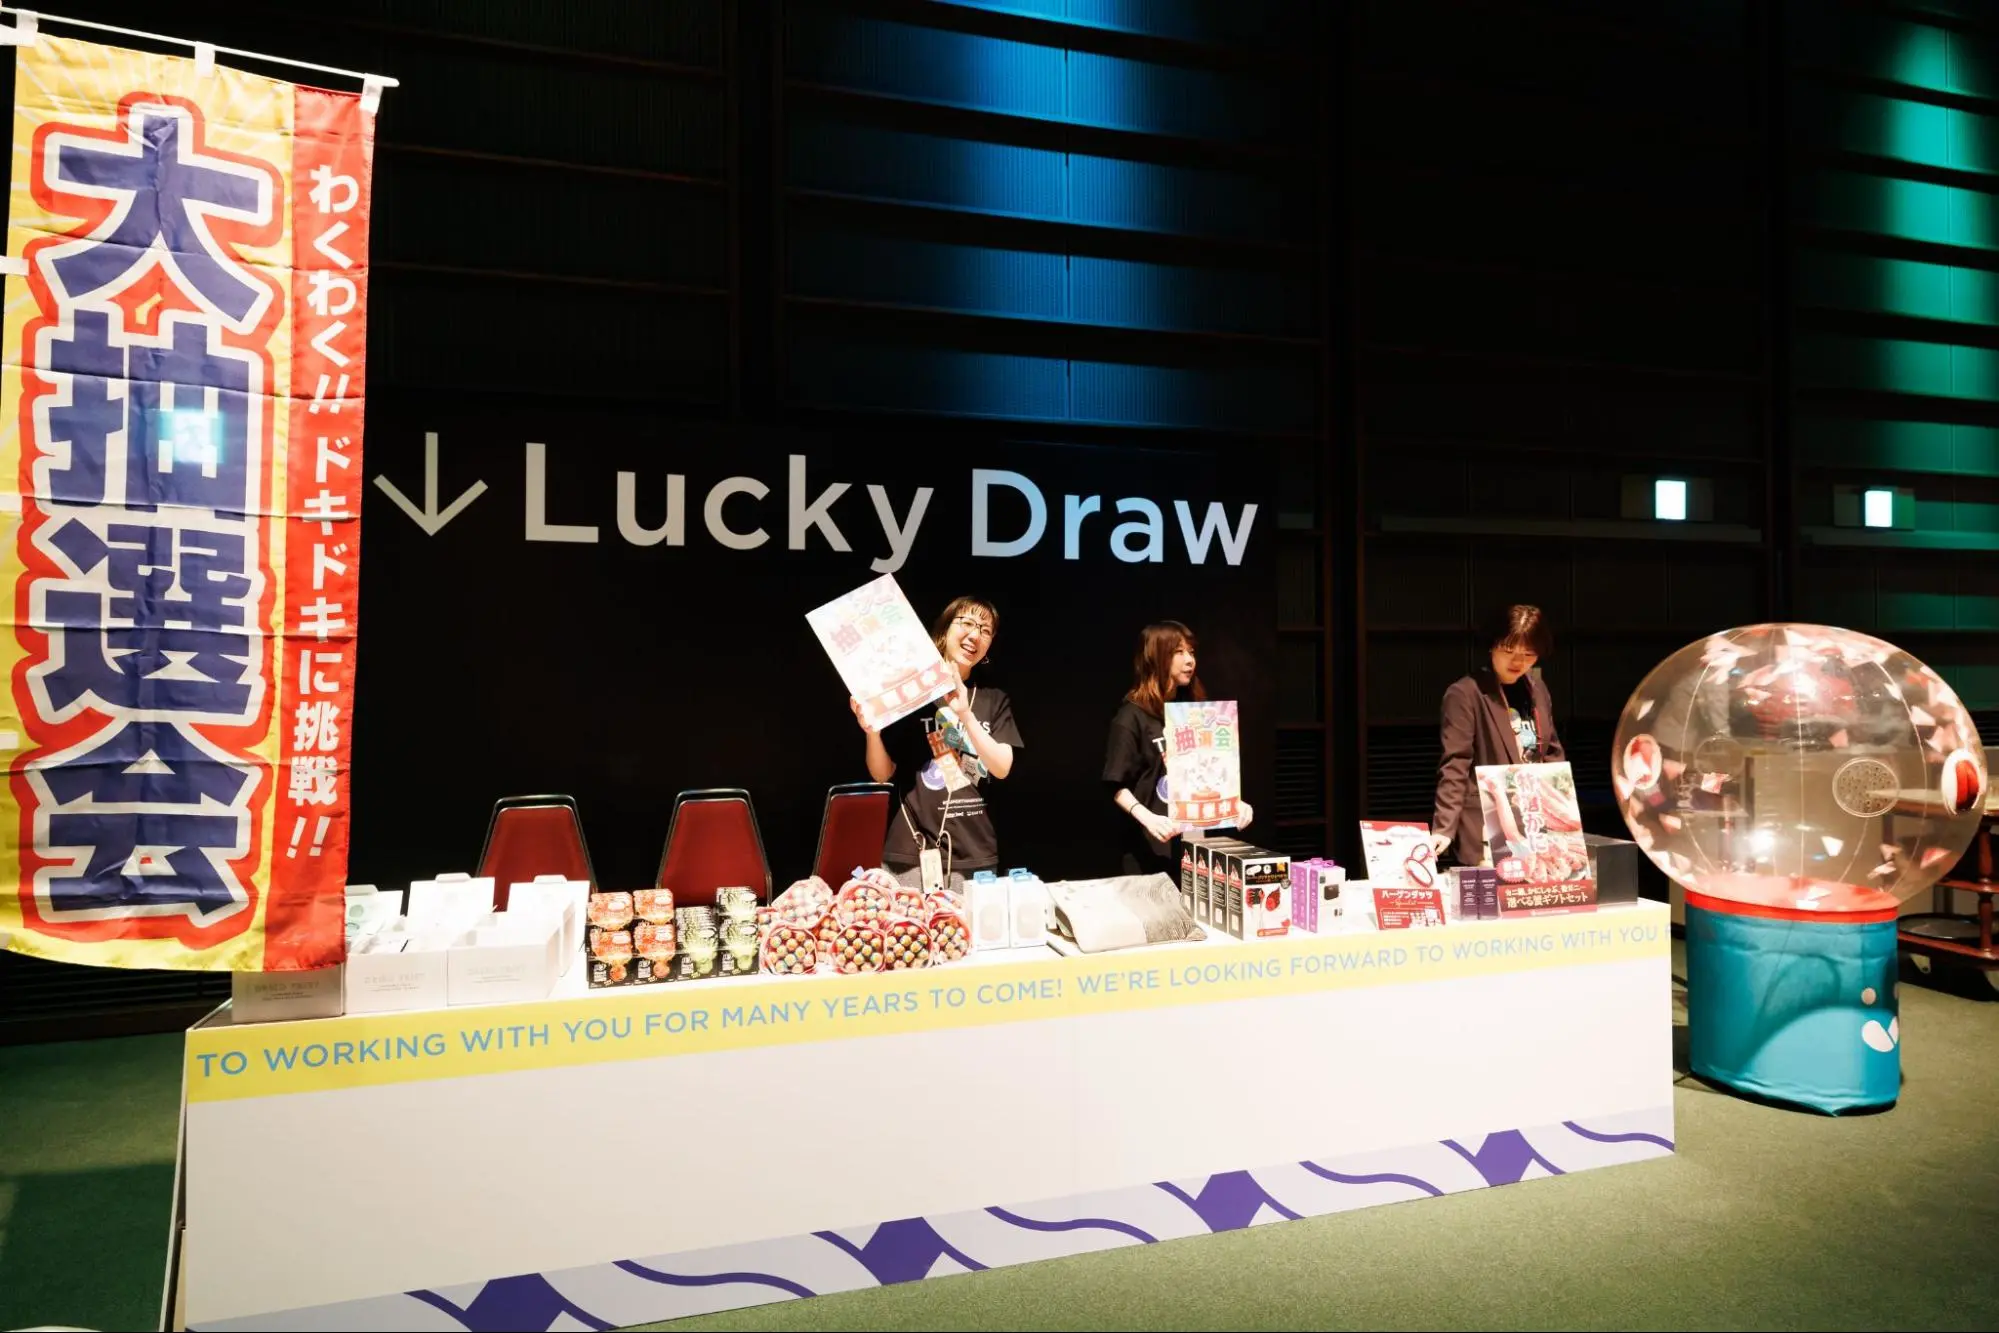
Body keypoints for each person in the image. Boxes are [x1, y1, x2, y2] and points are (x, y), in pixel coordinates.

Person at [851, 596, 1022, 880]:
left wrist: (965, 714)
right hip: (910, 850)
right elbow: (882, 774)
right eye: (967, 623)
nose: (975, 634)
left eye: (985, 630)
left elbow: (1002, 767)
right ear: (944, 630)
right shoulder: (909, 693)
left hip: (973, 851)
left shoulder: (993, 699)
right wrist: (873, 733)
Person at [1102, 621, 1253, 877]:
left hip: (1195, 845)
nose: (1189, 660)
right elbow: (1115, 784)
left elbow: (1207, 771)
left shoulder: (1195, 712)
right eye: (1178, 652)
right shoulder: (1131, 717)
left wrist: (1231, 803)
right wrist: (1148, 818)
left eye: (1191, 652)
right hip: (1151, 849)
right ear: (1156, 657)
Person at [1431, 604, 1565, 867]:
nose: (1518, 662)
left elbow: (1551, 753)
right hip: (1486, 823)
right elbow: (1455, 763)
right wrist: (1444, 828)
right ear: (1492, 646)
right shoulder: (1465, 694)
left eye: (1529, 654)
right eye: (1508, 651)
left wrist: (1563, 812)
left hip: (1534, 820)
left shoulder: (1537, 689)